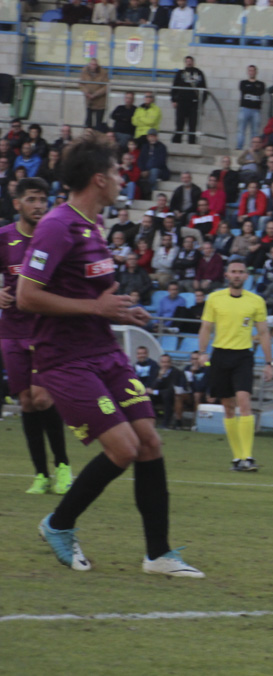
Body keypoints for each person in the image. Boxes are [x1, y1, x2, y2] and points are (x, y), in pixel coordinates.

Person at [19, 134, 203, 577]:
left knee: (150, 442)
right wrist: (96, 308)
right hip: (66, 360)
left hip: (105, 352)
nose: (123, 178)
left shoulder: (91, 227)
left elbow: (92, 295)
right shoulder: (57, 226)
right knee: (123, 448)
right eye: (119, 172)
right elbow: (26, 296)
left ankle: (158, 554)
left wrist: (122, 310)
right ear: (100, 179)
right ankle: (58, 524)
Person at [0, 178, 72, 495]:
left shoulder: (51, 235)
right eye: (31, 199)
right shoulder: (4, 237)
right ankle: (41, 474)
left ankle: (63, 465)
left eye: (42, 199)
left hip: (44, 329)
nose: (38, 205)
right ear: (17, 204)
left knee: (43, 397)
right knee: (27, 402)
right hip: (11, 331)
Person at [198, 261, 273, 472]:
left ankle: (247, 457)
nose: (237, 275)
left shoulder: (256, 301)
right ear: (227, 275)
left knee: (244, 400)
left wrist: (269, 363)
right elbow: (206, 326)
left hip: (243, 356)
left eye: (241, 272)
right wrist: (202, 351)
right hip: (220, 355)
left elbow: (264, 333)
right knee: (228, 407)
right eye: (234, 272)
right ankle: (237, 458)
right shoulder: (214, 298)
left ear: (247, 276)